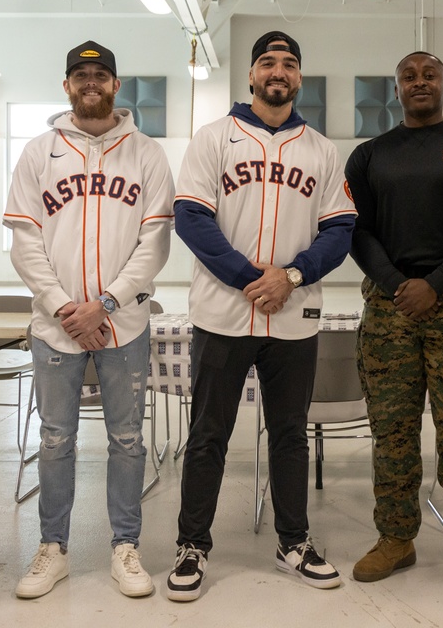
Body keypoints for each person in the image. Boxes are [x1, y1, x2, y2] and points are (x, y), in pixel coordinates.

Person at [167, 30, 356, 601]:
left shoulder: (322, 150)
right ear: (250, 76)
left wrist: (290, 275)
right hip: (225, 312)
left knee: (291, 435)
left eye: (290, 63)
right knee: (208, 435)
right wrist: (253, 277)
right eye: (268, 61)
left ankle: (293, 543)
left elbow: (340, 229)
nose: (279, 70)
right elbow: (191, 219)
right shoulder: (213, 138)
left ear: (298, 79)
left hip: (294, 315)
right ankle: (192, 545)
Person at [4, 41, 173, 601]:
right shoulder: (38, 152)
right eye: (81, 75)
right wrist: (63, 307)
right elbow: (25, 241)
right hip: (57, 327)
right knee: (56, 439)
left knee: (127, 438)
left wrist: (104, 303)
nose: (91, 82)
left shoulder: (145, 153)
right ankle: (53, 549)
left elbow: (155, 243)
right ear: (67, 85)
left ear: (116, 85)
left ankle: (125, 546)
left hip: (121, 323)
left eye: (101, 75)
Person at [344, 51, 443, 592]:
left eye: (428, 75)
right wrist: (397, 285)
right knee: (392, 430)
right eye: (409, 77)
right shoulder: (368, 156)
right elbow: (357, 231)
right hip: (389, 308)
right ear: (396, 88)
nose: (419, 83)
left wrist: (435, 284)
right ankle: (396, 536)